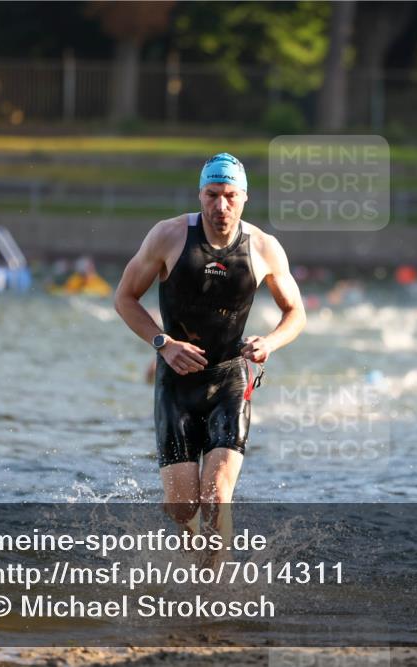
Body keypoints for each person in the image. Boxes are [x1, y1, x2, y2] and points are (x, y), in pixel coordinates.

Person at [113, 153, 306, 544]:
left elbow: (296, 313)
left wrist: (269, 341)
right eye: (212, 195)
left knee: (217, 498)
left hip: (229, 382)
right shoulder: (168, 236)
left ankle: (218, 583)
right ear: (200, 195)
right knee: (184, 507)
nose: (221, 206)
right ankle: (186, 560)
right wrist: (163, 343)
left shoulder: (264, 248)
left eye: (230, 196)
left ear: (245, 197)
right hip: (176, 382)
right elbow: (125, 298)